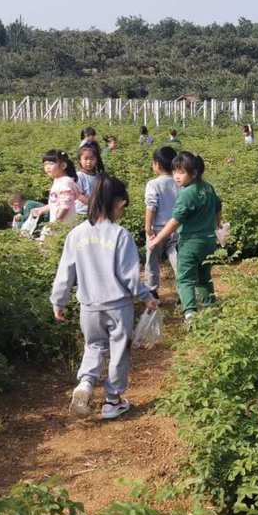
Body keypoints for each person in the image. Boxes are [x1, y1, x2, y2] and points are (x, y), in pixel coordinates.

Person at [52, 176, 158, 421]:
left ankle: (85, 384)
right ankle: (113, 401)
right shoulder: (120, 235)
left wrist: (59, 301)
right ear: (117, 202)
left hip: (89, 307)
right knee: (119, 351)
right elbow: (129, 277)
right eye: (123, 205)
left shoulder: (76, 234)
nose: (123, 210)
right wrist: (146, 296)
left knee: (94, 346)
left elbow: (65, 273)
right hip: (118, 307)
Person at [145, 152, 221, 323]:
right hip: (209, 242)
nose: (176, 177)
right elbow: (218, 205)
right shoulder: (208, 187)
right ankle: (211, 310)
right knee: (204, 277)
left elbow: (175, 222)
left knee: (185, 279)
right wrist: (218, 224)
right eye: (174, 172)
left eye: (181, 172)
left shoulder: (186, 194)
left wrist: (157, 240)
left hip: (190, 243)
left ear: (193, 173)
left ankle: (190, 315)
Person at [144, 146, 180, 295]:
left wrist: (148, 227)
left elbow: (151, 206)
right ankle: (182, 289)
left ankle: (152, 291)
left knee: (152, 260)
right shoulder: (179, 181)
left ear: (157, 164)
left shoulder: (153, 184)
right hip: (176, 228)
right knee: (177, 258)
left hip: (157, 230)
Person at [29, 150, 84, 226]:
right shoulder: (58, 180)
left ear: (63, 166)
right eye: (45, 164)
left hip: (63, 226)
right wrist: (41, 209)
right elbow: (55, 203)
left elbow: (65, 206)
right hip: (59, 225)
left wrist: (56, 223)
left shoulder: (65, 182)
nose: (47, 167)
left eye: (51, 164)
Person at [75, 143, 105, 217]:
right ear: (80, 160)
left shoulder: (98, 176)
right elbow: (78, 195)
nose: (88, 162)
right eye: (85, 159)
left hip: (95, 212)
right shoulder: (79, 176)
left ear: (96, 160)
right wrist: (92, 204)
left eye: (92, 159)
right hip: (81, 212)